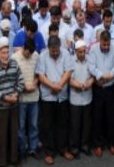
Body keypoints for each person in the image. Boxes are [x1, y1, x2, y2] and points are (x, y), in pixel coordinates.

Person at [37, 36, 74, 164]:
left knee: (62, 123)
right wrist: (52, 86)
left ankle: (63, 149)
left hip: (61, 95)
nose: (55, 53)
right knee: (48, 125)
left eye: (56, 50)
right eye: (52, 50)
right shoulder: (42, 55)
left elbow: (68, 71)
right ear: (48, 48)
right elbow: (41, 75)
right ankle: (49, 152)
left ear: (59, 47)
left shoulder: (65, 53)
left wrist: (58, 85)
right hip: (47, 95)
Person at [0, 37, 23, 167]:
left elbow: (20, 81)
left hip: (14, 104)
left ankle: (14, 159)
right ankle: (2, 162)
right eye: (2, 53)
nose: (5, 55)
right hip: (0, 107)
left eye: (6, 52)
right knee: (1, 136)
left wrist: (15, 94)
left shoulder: (14, 63)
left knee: (14, 134)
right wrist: (5, 98)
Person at [88, 31, 114, 156]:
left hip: (110, 86)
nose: (106, 47)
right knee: (98, 117)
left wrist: (110, 75)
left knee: (111, 117)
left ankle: (111, 143)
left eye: (107, 45)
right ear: (100, 41)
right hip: (98, 87)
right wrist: (101, 76)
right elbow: (91, 66)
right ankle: (98, 145)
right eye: (104, 44)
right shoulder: (93, 49)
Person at [13, 38, 40, 159]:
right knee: (21, 126)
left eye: (31, 53)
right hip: (22, 97)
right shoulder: (15, 58)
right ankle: (22, 149)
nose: (29, 55)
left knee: (34, 125)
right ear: (24, 48)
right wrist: (24, 87)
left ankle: (33, 148)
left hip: (34, 96)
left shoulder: (36, 55)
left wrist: (34, 83)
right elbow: (13, 77)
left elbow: (39, 73)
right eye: (28, 53)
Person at [68, 40, 93, 158]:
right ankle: (74, 147)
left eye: (84, 51)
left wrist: (88, 83)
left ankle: (85, 145)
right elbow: (68, 79)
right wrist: (78, 85)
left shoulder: (90, 60)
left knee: (86, 123)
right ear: (75, 51)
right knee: (75, 124)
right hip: (75, 98)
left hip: (87, 96)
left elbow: (93, 76)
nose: (82, 54)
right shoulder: (70, 61)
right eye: (80, 52)